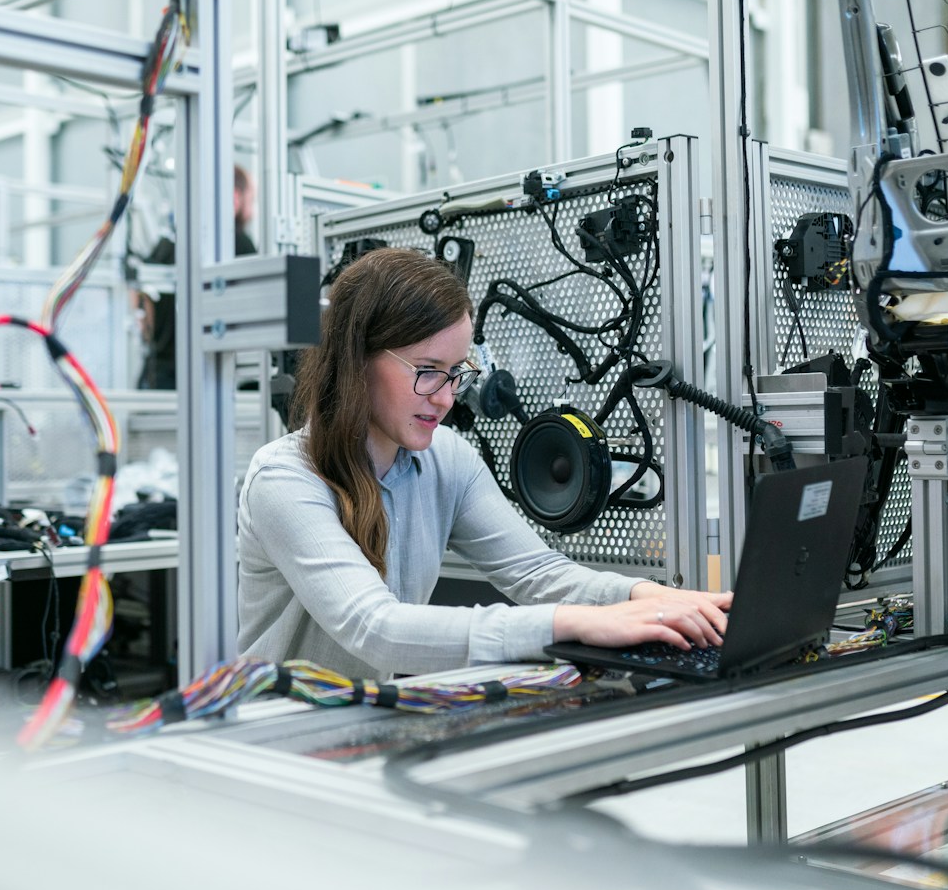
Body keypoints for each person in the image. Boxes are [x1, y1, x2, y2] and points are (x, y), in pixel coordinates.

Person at [237, 247, 731, 679]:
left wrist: (650, 598)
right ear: (357, 360)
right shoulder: (285, 478)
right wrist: (573, 624)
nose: (447, 398)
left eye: (456, 373)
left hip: (364, 724)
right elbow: (376, 628)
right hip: (278, 743)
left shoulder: (446, 459)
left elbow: (539, 573)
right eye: (428, 372)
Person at [138, 165, 257, 390]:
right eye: (252, 199)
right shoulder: (238, 242)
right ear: (235, 197)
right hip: (207, 377)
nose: (253, 209)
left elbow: (141, 308)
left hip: (158, 377)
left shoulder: (166, 244)